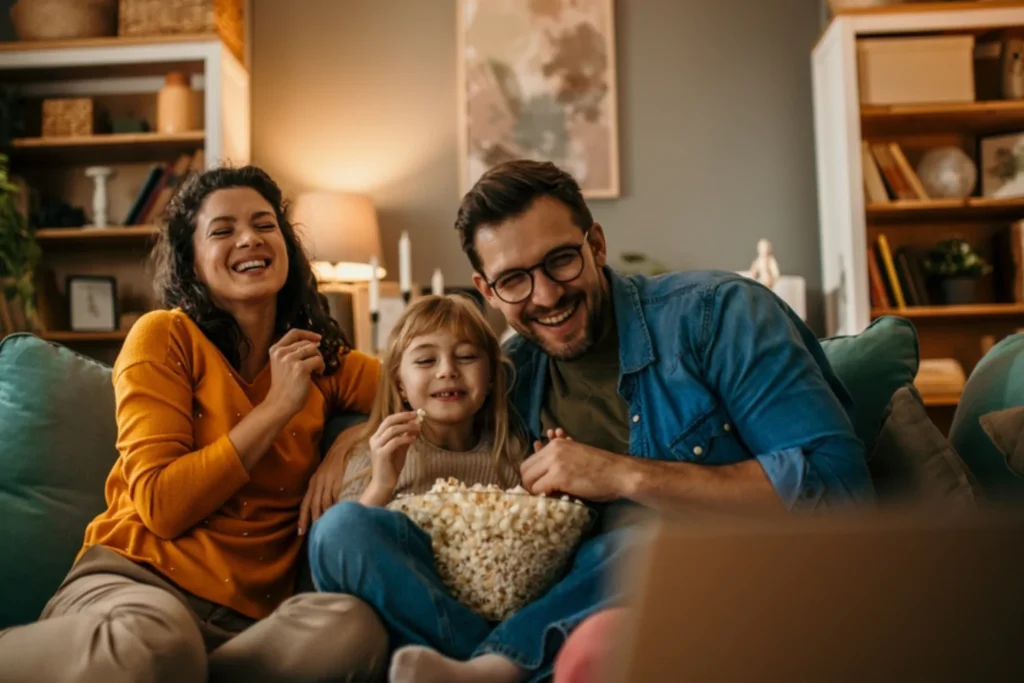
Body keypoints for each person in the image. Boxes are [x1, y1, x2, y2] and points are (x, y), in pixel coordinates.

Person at [305, 159, 876, 683]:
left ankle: (497, 665)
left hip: (726, 582)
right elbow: (434, 403)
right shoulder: (515, 378)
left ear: (596, 244)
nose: (547, 294)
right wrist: (346, 442)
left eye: (560, 260)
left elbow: (839, 487)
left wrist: (623, 476)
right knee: (341, 535)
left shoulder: (719, 316)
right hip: (563, 607)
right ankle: (491, 665)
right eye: (513, 280)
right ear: (487, 290)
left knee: (637, 534)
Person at [0, 166, 389, 683]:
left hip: (246, 625)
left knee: (354, 627)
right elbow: (161, 506)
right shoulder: (164, 337)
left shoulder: (318, 359)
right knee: (159, 643)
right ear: (193, 261)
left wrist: (349, 441)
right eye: (222, 230)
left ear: (286, 246)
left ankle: (184, 672)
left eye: (264, 224)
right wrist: (276, 408)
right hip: (134, 587)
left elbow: (428, 387)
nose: (249, 238)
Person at [309, 294, 540, 683]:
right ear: (399, 381)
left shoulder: (514, 451)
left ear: (491, 376)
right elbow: (339, 554)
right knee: (339, 525)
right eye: (426, 360)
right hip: (408, 619)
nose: (447, 371)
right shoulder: (375, 450)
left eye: (466, 357)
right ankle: (483, 657)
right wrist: (383, 482)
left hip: (494, 607)